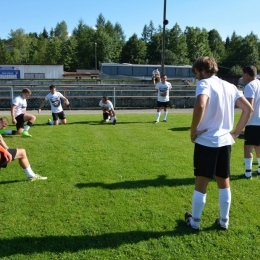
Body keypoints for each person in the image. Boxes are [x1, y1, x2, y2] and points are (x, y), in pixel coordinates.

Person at [185, 56, 253, 230]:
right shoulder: (230, 86)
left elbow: (200, 105)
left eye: (197, 73)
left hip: (206, 140)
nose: (196, 77)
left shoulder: (205, 83)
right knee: (224, 181)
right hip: (225, 141)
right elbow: (248, 110)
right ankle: (224, 221)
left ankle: (195, 222)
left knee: (201, 182)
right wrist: (236, 132)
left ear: (203, 70)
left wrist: (193, 131)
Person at [241, 65, 260, 179]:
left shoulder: (250, 86)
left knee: (248, 146)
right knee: (258, 146)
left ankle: (248, 173)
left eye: (243, 74)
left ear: (247, 75)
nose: (242, 77)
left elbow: (249, 107)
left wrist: (243, 124)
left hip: (253, 122)